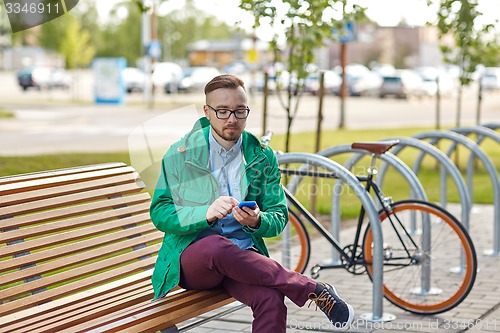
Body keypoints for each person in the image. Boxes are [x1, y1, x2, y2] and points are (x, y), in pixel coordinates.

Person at [150, 74, 355, 332]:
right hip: (195, 260)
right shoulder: (182, 153)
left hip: (242, 258)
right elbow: (161, 212)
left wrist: (258, 220)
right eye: (222, 111)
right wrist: (205, 213)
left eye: (239, 111)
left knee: (271, 299)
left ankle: (308, 290)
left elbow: (278, 215)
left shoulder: (261, 155)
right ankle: (311, 289)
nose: (232, 119)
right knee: (214, 245)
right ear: (207, 111)